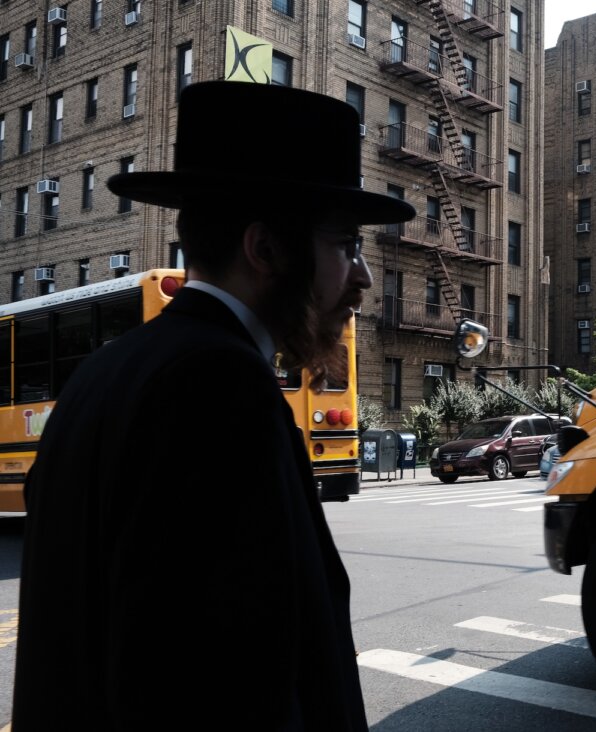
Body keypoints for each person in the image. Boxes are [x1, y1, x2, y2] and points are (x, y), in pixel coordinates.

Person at [14, 81, 415, 729]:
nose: (363, 276)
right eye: (346, 245)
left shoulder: (100, 374)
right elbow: (223, 690)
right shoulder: (222, 389)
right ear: (265, 250)